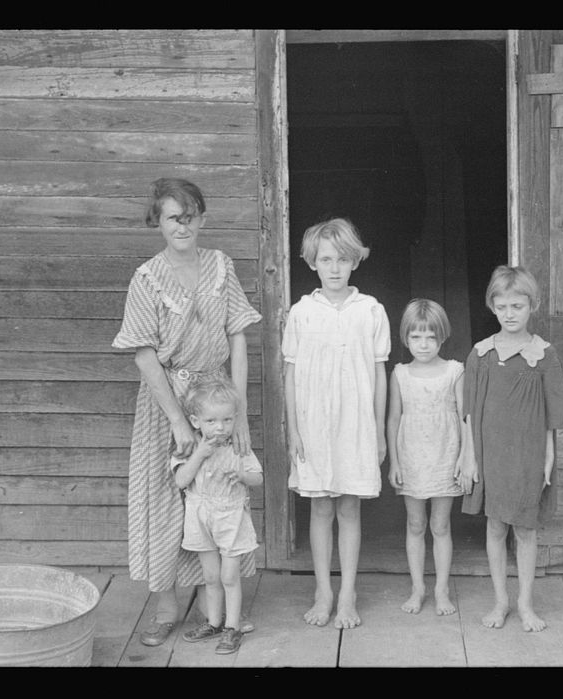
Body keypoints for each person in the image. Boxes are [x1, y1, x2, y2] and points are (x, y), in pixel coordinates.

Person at [112, 177, 261, 647]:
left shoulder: (220, 266)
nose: (183, 225)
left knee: (216, 491)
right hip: (167, 404)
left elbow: (237, 334)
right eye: (174, 217)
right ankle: (165, 604)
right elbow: (142, 353)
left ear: (202, 218)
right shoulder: (147, 278)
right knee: (167, 496)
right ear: (157, 221)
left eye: (191, 216)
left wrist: (236, 414)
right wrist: (178, 420)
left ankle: (211, 603)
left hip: (216, 397)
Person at [282, 217, 390, 629]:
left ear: (355, 263)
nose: (334, 268)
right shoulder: (302, 312)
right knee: (320, 507)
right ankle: (322, 590)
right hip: (315, 424)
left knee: (349, 508)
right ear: (312, 262)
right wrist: (294, 430)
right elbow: (291, 375)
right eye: (326, 259)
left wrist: (378, 430)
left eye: (342, 259)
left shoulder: (371, 310)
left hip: (356, 423)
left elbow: (379, 373)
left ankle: (348, 593)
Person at [458, 265, 563, 632]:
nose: (509, 313)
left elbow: (553, 417)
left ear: (531, 305)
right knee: (494, 527)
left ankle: (525, 603)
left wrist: (549, 460)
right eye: (502, 306)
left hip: (527, 456)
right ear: (492, 306)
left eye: (517, 306)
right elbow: (470, 413)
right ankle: (501, 600)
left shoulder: (544, 355)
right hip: (491, 456)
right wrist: (469, 457)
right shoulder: (481, 354)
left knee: (525, 529)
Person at [170, 377, 262, 655]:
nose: (219, 427)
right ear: (196, 421)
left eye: (226, 420)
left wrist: (243, 475)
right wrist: (199, 454)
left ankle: (232, 628)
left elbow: (257, 478)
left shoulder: (238, 447)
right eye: (211, 421)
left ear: (234, 419)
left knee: (229, 576)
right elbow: (181, 480)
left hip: (230, 518)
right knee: (210, 576)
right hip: (200, 518)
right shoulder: (189, 447)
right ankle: (213, 621)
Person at [387, 299, 465, 616]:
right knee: (416, 523)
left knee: (441, 525)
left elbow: (463, 417)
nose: (423, 344)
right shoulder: (400, 374)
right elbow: (393, 418)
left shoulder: (454, 371)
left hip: (445, 455)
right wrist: (394, 460)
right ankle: (418, 587)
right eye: (416, 337)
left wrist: (464, 457)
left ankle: (441, 589)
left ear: (441, 337)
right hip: (411, 457)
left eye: (430, 337)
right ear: (406, 338)